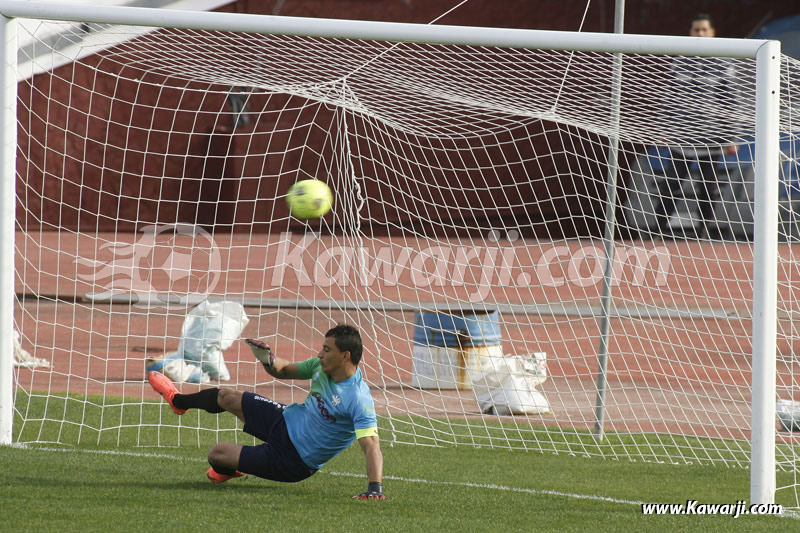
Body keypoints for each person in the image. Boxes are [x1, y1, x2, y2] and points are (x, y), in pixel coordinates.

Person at [147, 324, 386, 500]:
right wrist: (267, 359)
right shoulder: (319, 367)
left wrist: (375, 487)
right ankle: (179, 401)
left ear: (345, 356)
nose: (320, 354)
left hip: (294, 459)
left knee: (217, 454)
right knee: (227, 396)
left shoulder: (358, 398)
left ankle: (232, 469)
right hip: (284, 419)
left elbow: (371, 443)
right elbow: (282, 370)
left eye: (327, 350)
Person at [649, 13, 737, 240]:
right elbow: (669, 97)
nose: (700, 34)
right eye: (696, 30)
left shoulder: (723, 60)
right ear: (690, 32)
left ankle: (704, 232)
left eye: (704, 30)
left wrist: (732, 136)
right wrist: (663, 128)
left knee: (708, 187)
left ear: (712, 33)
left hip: (712, 135)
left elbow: (731, 101)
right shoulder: (681, 60)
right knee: (672, 183)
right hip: (682, 133)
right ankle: (657, 229)